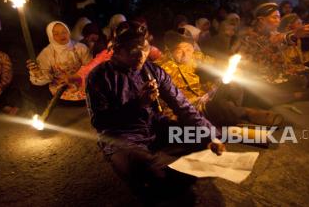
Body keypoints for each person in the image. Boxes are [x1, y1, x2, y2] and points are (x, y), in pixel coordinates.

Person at [86, 21, 225, 196]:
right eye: (132, 50)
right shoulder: (99, 76)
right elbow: (100, 122)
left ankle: (167, 160)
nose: (140, 55)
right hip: (121, 137)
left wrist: (210, 136)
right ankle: (157, 169)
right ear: (117, 50)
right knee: (156, 175)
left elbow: (182, 105)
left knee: (203, 138)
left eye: (143, 48)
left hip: (155, 128)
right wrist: (138, 104)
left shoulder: (153, 71)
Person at [157, 30, 283, 127]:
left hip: (205, 98)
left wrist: (232, 66)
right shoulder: (160, 67)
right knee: (218, 106)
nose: (186, 54)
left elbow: (215, 63)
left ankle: (245, 111)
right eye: (180, 50)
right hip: (186, 108)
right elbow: (160, 98)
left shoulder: (196, 57)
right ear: (170, 50)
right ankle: (249, 114)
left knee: (234, 83)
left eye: (189, 49)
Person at [27, 21, 91, 103]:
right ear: (50, 36)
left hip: (81, 83)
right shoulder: (47, 53)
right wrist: (37, 73)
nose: (62, 35)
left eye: (64, 32)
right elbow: (44, 78)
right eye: (56, 34)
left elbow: (90, 67)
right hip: (60, 89)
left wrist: (77, 77)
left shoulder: (81, 48)